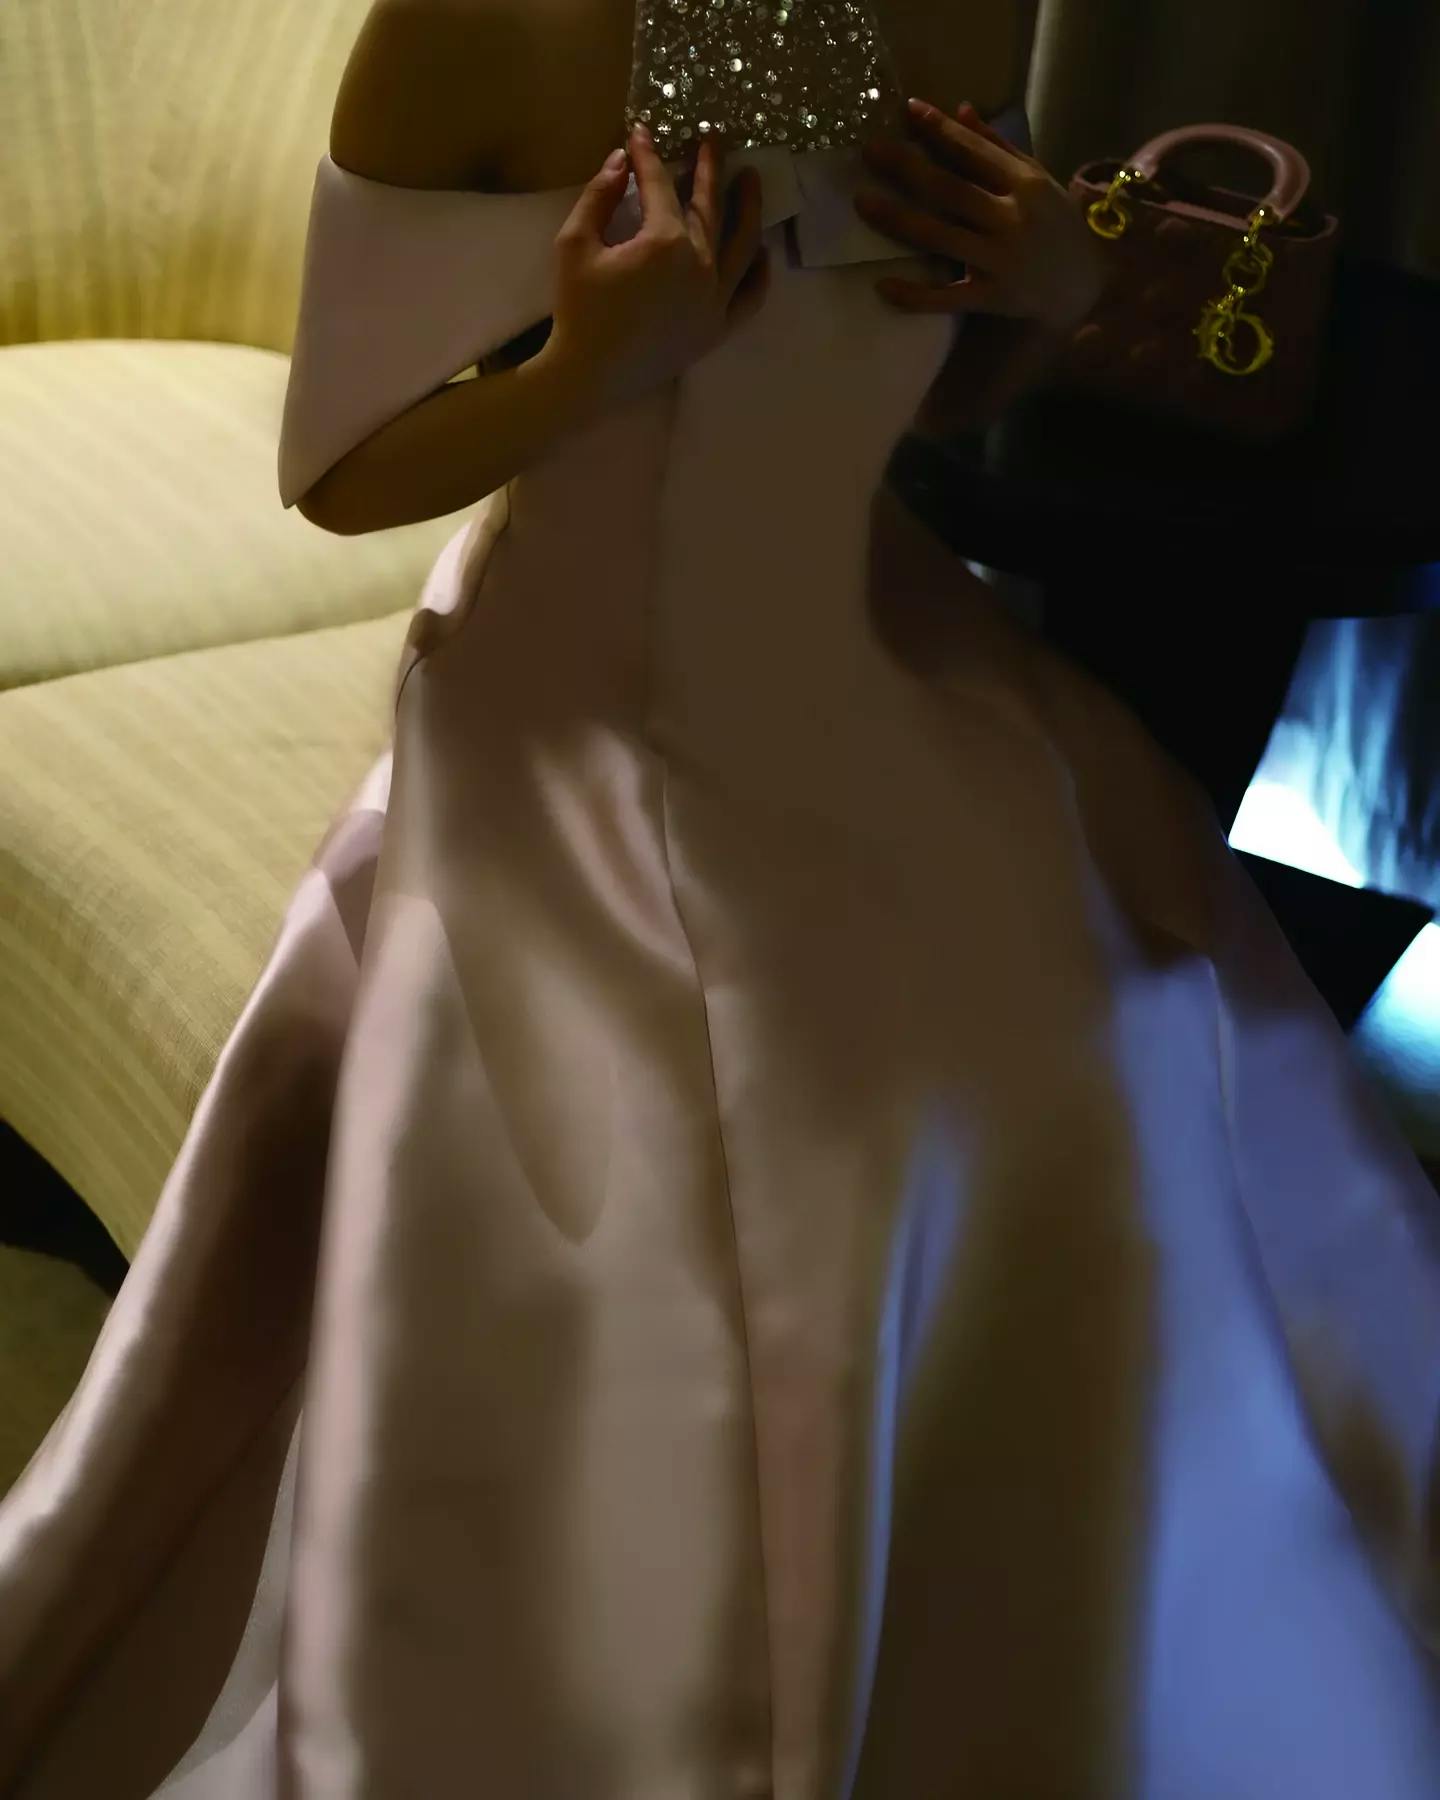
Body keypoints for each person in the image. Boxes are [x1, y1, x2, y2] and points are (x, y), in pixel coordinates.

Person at [1, 0, 1437, 1792]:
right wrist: (587, 365)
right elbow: (335, 469)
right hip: (591, 716)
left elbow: (931, 372)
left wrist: (1047, 291)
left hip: (884, 654)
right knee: (831, 1136)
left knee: (1128, 1024)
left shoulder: (954, 8)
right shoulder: (479, 31)